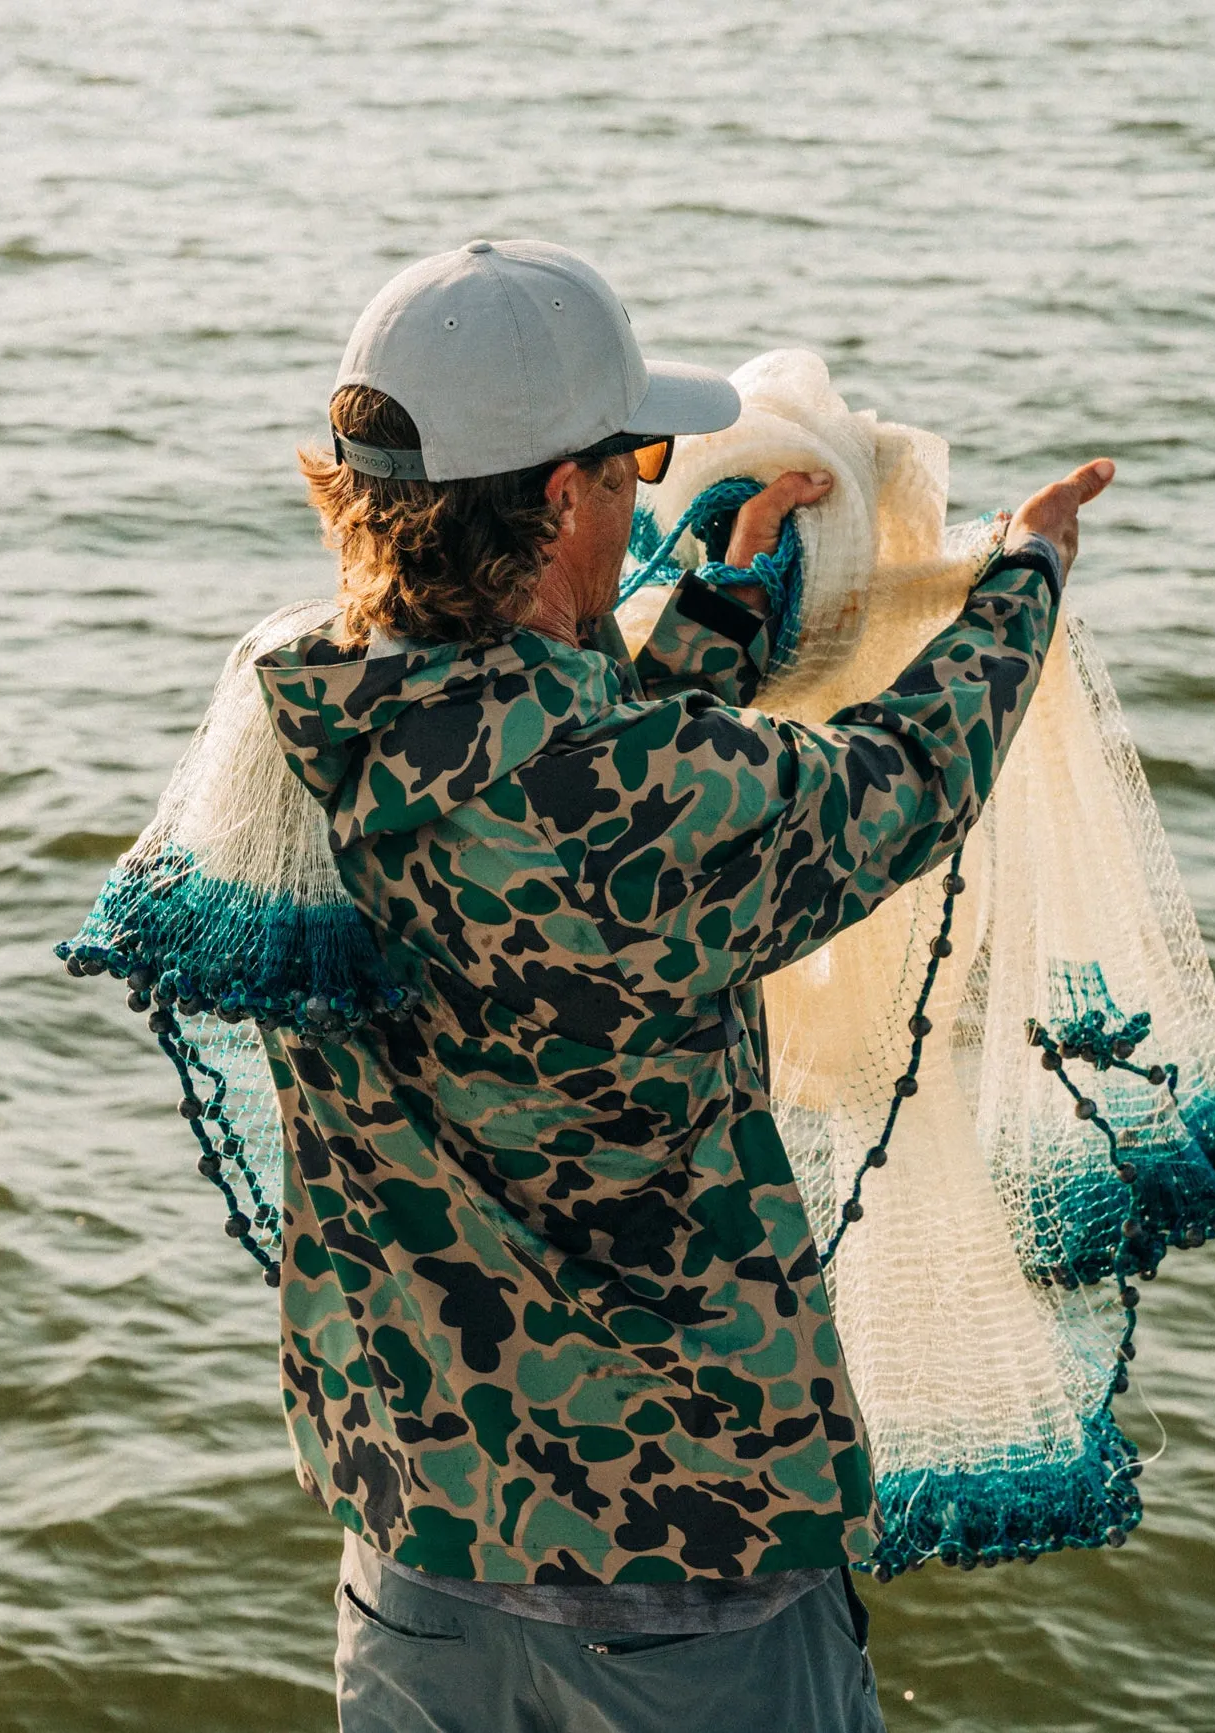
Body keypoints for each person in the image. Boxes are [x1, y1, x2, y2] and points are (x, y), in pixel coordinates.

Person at [262, 238, 1113, 1732]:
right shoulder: (640, 798)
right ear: (558, 498)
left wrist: (718, 604)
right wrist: (1021, 577)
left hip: (416, 1560)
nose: (648, 491)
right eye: (636, 461)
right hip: (677, 1584)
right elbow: (901, 780)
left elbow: (540, 755)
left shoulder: (299, 718)